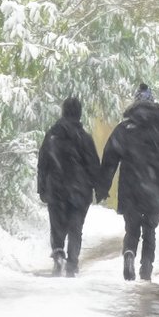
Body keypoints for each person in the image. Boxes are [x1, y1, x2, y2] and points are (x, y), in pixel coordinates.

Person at [96, 82, 159, 282]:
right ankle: (146, 266)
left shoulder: (125, 128)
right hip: (156, 186)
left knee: (132, 227)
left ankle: (129, 253)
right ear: (153, 102)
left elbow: (109, 159)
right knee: (150, 229)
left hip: (131, 186)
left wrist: (103, 187)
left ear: (135, 102)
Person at [37, 96, 100, 277]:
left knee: (57, 226)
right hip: (79, 190)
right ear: (79, 114)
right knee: (75, 228)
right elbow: (93, 165)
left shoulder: (52, 136)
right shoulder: (84, 138)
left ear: (63, 112)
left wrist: (42, 187)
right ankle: (72, 262)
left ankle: (58, 252)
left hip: (55, 188)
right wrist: (99, 187)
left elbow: (43, 163)